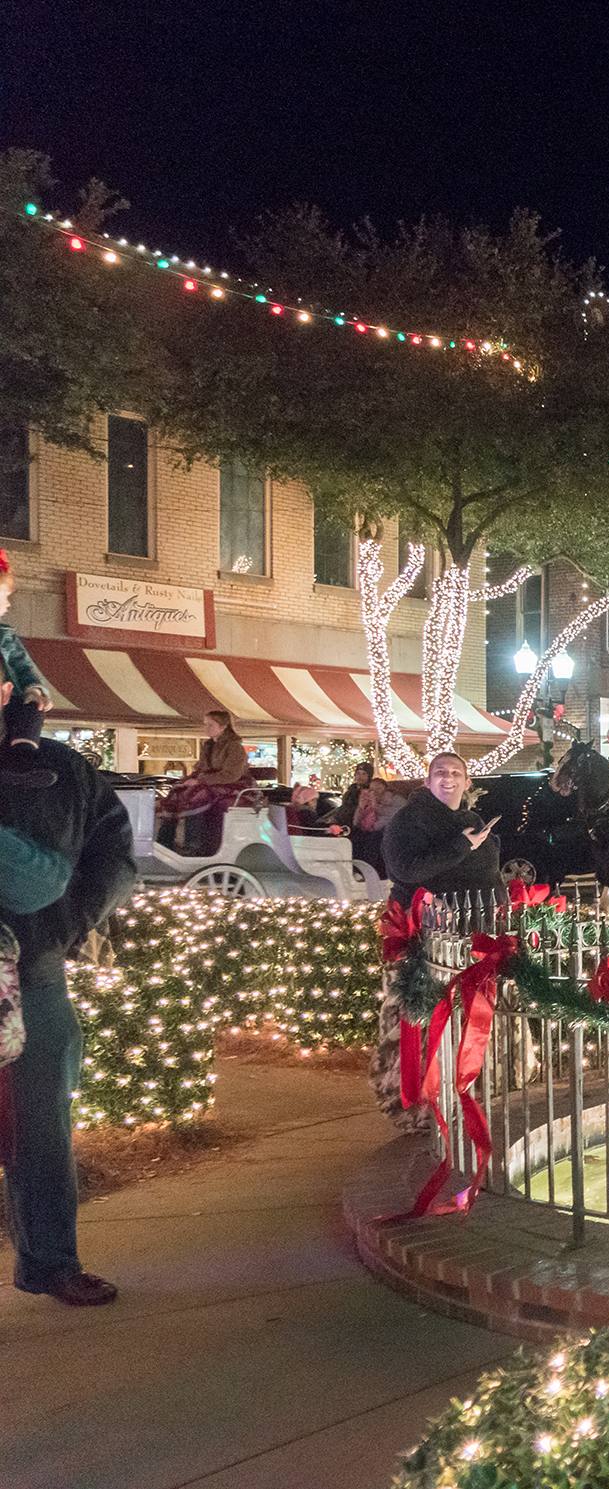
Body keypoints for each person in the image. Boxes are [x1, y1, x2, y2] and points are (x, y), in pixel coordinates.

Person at [0, 734, 139, 1305]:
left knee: (41, 1126)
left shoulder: (58, 767)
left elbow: (113, 848)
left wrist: (71, 922)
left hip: (33, 974)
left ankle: (51, 1262)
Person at [383, 751, 502, 903]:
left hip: (478, 917)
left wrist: (500, 901)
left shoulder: (472, 820)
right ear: (427, 782)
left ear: (467, 783)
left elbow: (490, 870)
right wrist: (461, 846)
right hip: (434, 919)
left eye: (455, 772)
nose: (448, 777)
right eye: (440, 772)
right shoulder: (409, 818)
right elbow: (406, 870)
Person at [0, 551, 56, 789]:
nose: (8, 603)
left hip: (8, 703)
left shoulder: (5, 635)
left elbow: (22, 665)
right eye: (3, 596)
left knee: (32, 707)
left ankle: (21, 763)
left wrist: (34, 687)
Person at [160, 710, 251, 853]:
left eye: (210, 725)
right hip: (210, 783)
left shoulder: (234, 747)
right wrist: (184, 780)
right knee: (175, 793)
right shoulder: (208, 746)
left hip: (232, 786)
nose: (206, 728)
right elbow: (200, 769)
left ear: (223, 727)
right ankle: (165, 842)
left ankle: (193, 845)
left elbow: (231, 775)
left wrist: (200, 781)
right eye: (205, 724)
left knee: (196, 796)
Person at [329, 761, 377, 830]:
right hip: (344, 826)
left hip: (360, 828)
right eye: (358, 773)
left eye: (363, 774)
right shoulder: (350, 792)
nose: (360, 776)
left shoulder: (371, 793)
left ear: (369, 776)